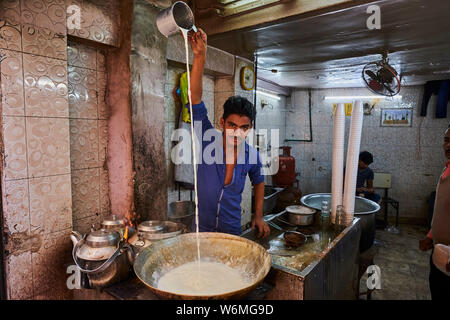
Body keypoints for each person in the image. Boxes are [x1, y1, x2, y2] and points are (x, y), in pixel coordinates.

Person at [185, 28, 270, 238]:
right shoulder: (207, 138)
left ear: (249, 128)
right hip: (201, 231)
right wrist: (199, 56)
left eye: (244, 127)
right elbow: (194, 98)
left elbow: (259, 181)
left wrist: (258, 216)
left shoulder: (251, 156)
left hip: (231, 231)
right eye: (232, 125)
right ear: (222, 123)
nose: (237, 132)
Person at [419, 125, 450, 300]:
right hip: (440, 251)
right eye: (446, 140)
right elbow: (442, 210)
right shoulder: (446, 169)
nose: (448, 145)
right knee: (437, 291)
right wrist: (431, 235)